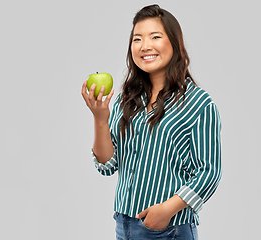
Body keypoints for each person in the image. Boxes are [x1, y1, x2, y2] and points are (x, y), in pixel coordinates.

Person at [81, 4, 222, 240]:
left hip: (168, 230)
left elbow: (209, 172)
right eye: (137, 39)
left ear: (174, 43)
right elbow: (107, 165)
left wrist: (166, 210)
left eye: (155, 37)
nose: (145, 46)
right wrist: (100, 118)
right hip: (123, 225)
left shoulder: (198, 103)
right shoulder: (128, 99)